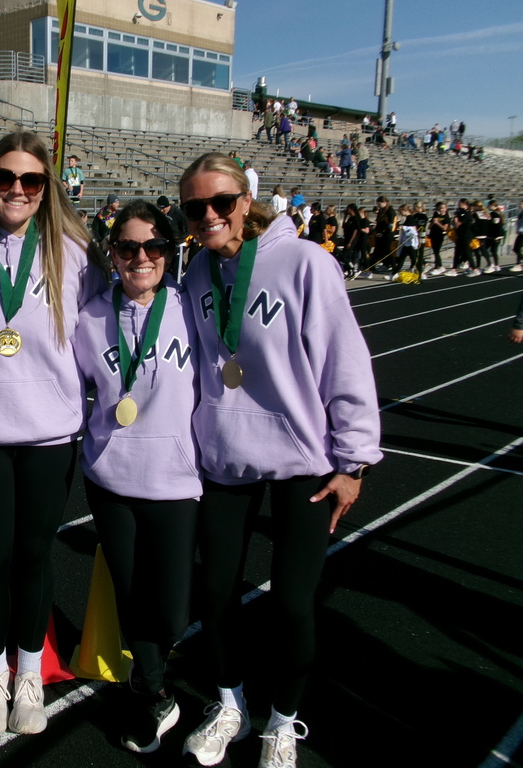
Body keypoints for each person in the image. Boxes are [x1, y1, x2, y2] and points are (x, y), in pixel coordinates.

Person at [178, 152, 382, 768]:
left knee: (293, 604)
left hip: (306, 460)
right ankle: (231, 702)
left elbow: (344, 359)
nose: (209, 215)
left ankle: (284, 722)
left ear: (245, 201)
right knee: (214, 596)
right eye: (195, 207)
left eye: (220, 202)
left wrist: (353, 461)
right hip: (225, 457)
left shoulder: (306, 263)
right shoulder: (195, 275)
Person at [0, 131, 106, 737]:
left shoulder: (73, 251)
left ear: (45, 189)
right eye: (6, 177)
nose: (16, 189)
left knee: (33, 558)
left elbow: (98, 340)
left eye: (31, 180)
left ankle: (30, 670)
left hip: (48, 434)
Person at [72, 200, 200, 754]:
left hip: (175, 480)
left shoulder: (191, 308)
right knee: (130, 597)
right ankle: (154, 694)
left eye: (153, 247)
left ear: (169, 254)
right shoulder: (89, 318)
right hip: (111, 481)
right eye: (128, 248)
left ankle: (157, 670)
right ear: (113, 255)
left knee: (169, 607)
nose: (140, 257)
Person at [428, 201, 451, 275]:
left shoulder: (446, 217)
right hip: (433, 234)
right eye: (440, 208)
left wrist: (437, 223)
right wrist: (433, 222)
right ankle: (437, 266)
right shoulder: (436, 215)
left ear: (446, 208)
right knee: (435, 251)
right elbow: (429, 227)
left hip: (440, 235)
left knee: (437, 251)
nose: (441, 210)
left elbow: (445, 228)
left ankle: (439, 266)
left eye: (443, 208)